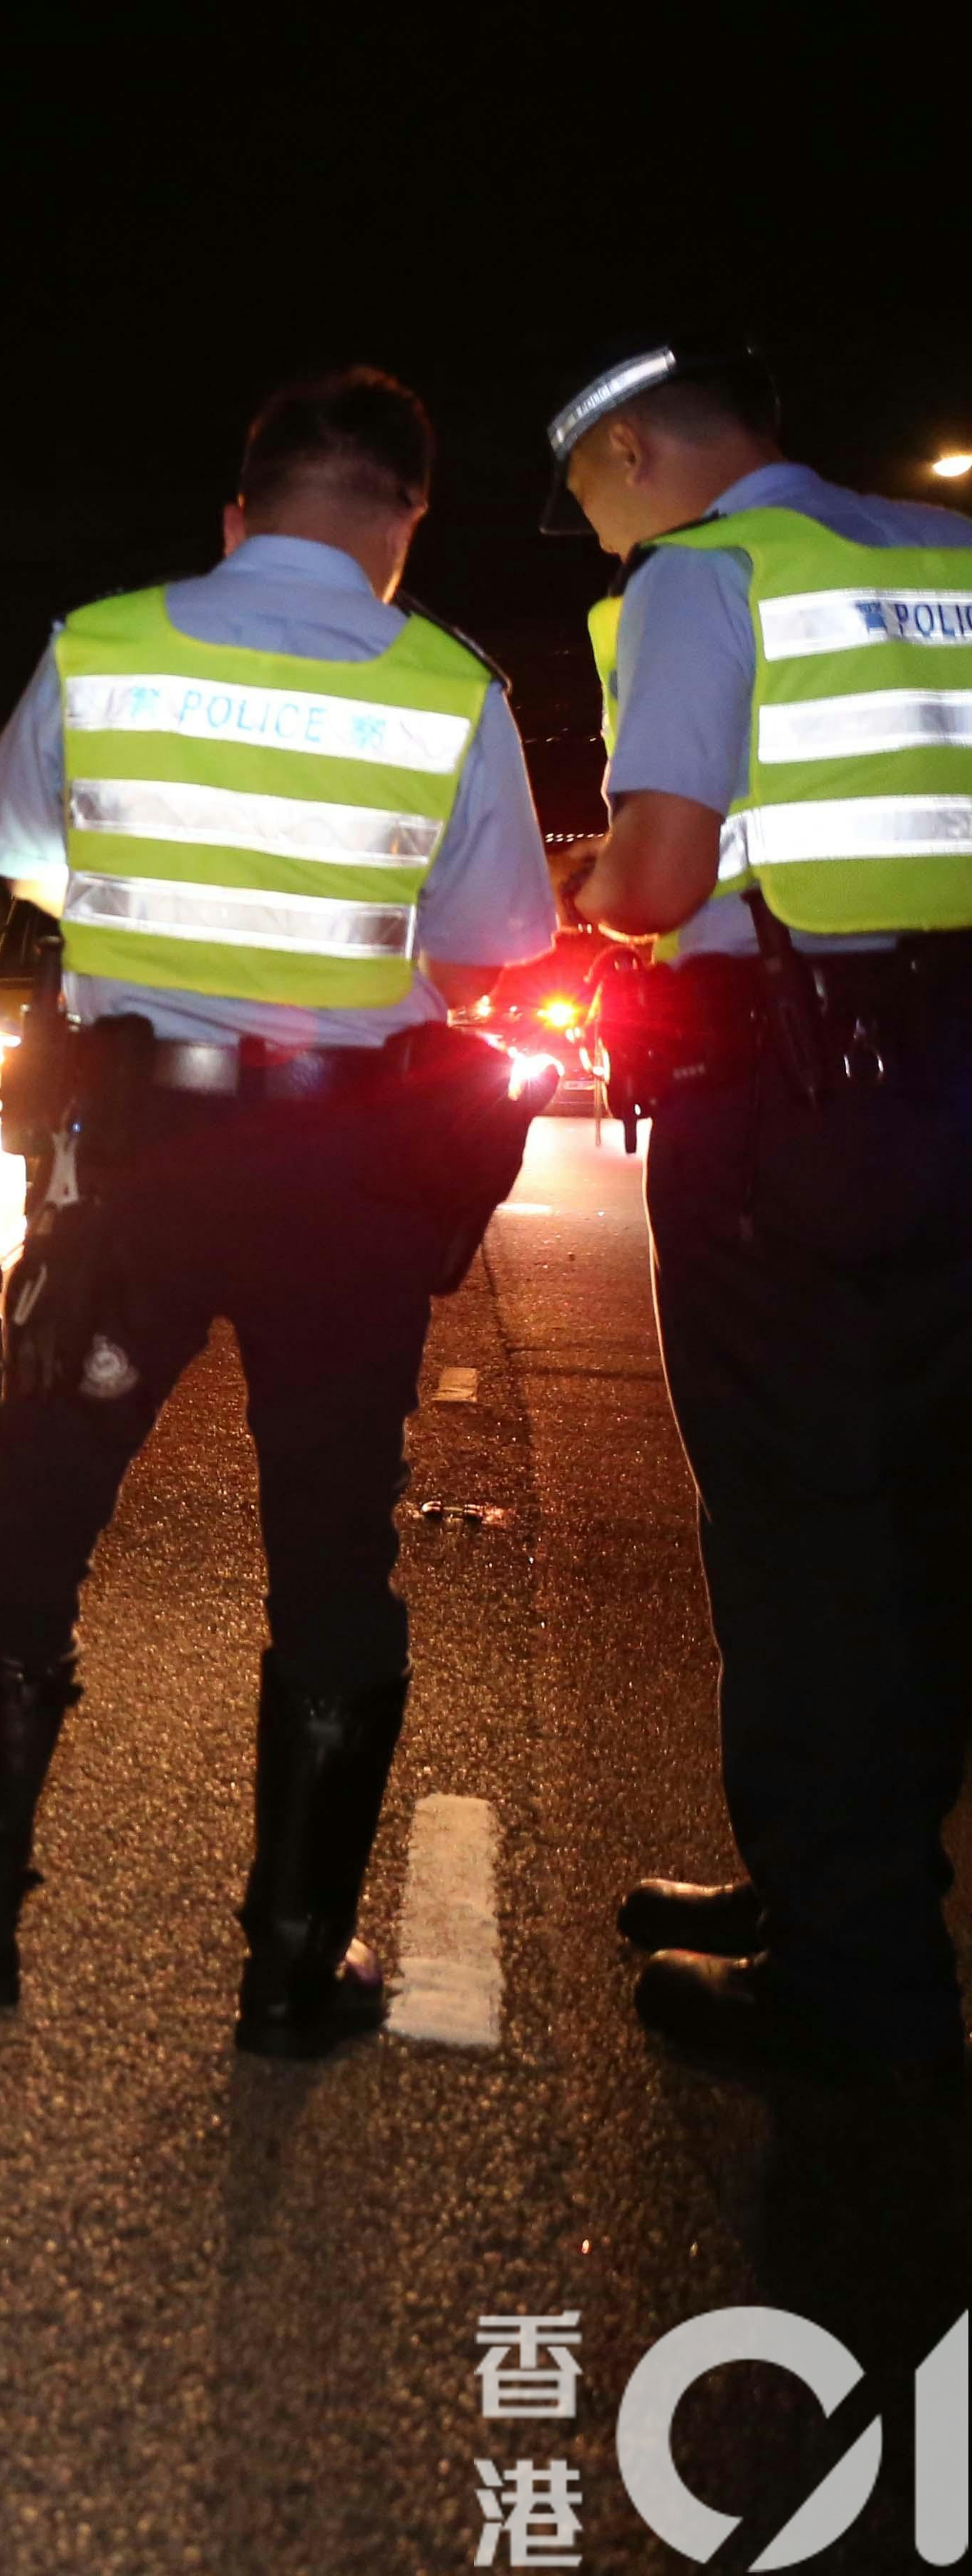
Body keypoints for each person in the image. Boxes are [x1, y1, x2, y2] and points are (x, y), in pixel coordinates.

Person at [0, 366, 556, 2056]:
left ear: (237, 514)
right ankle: (292, 1969)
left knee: (48, 1503)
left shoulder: (107, 642)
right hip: (346, 1179)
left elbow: (11, 840)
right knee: (332, 1546)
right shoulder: (450, 687)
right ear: (405, 528)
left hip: (142, 1159)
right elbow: (501, 941)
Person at [545, 333, 972, 2079]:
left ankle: (858, 1980)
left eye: (586, 496)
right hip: (948, 1079)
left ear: (636, 453)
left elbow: (661, 874)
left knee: (801, 1526)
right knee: (925, 1512)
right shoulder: (944, 556)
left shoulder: (707, 578)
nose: (595, 535)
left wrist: (583, 881)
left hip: (794, 1097)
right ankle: (841, 1891)